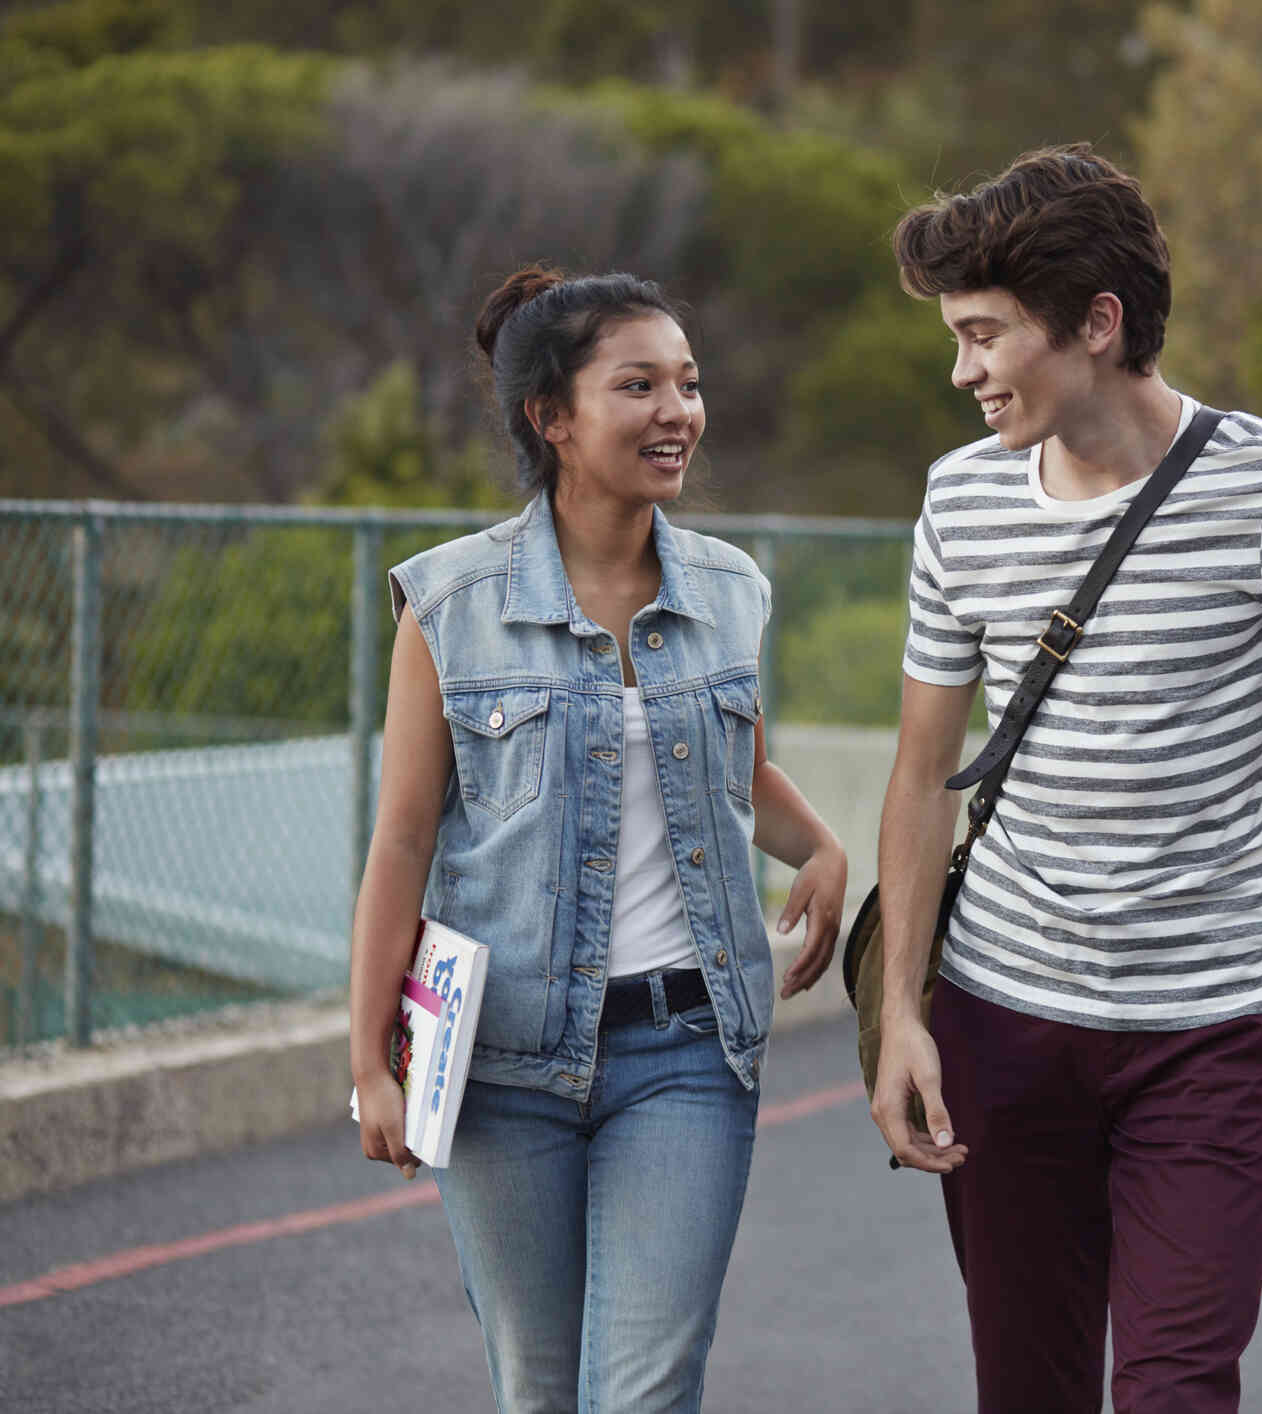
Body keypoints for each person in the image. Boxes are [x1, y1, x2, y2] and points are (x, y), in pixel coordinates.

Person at [867, 145, 1262, 1414]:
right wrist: (903, 1013)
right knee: (1030, 1389)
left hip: (1208, 1037)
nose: (963, 372)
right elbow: (923, 768)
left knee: (1176, 1388)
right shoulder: (959, 501)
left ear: (1097, 324)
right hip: (1002, 1021)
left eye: (986, 335)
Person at [349, 265, 847, 1413]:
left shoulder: (731, 589)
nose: (678, 410)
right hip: (503, 1059)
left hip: (686, 1052)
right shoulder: (450, 601)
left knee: (646, 1389)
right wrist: (368, 1059)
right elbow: (403, 838)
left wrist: (818, 843)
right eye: (640, 386)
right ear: (552, 417)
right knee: (538, 1386)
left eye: (688, 382)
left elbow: (735, 769)